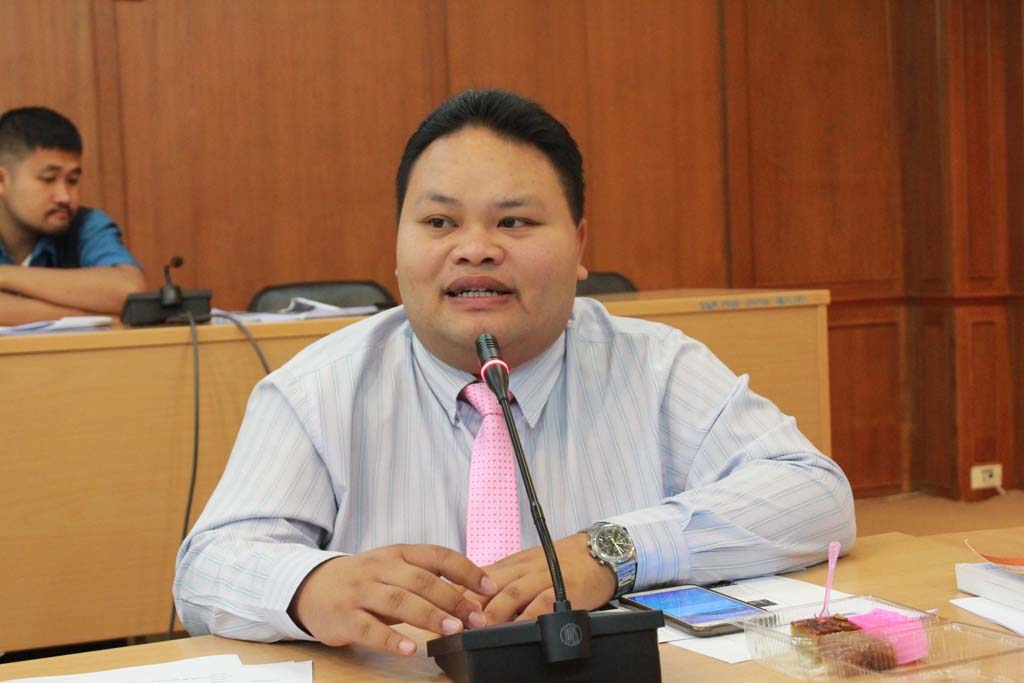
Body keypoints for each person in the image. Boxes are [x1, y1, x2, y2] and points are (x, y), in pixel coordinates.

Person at [174, 89, 856, 657]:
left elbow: (815, 493)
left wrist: (613, 551)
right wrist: (311, 585)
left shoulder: (656, 365)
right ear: (398, 247)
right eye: (439, 221)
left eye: (515, 221)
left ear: (580, 245)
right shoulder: (315, 390)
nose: (475, 249)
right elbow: (207, 566)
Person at [0, 107, 144, 326]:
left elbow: (129, 289)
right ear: (2, 181)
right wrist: (91, 317)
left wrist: (5, 276)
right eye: (49, 179)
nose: (64, 197)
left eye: (72, 180)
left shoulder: (86, 225)